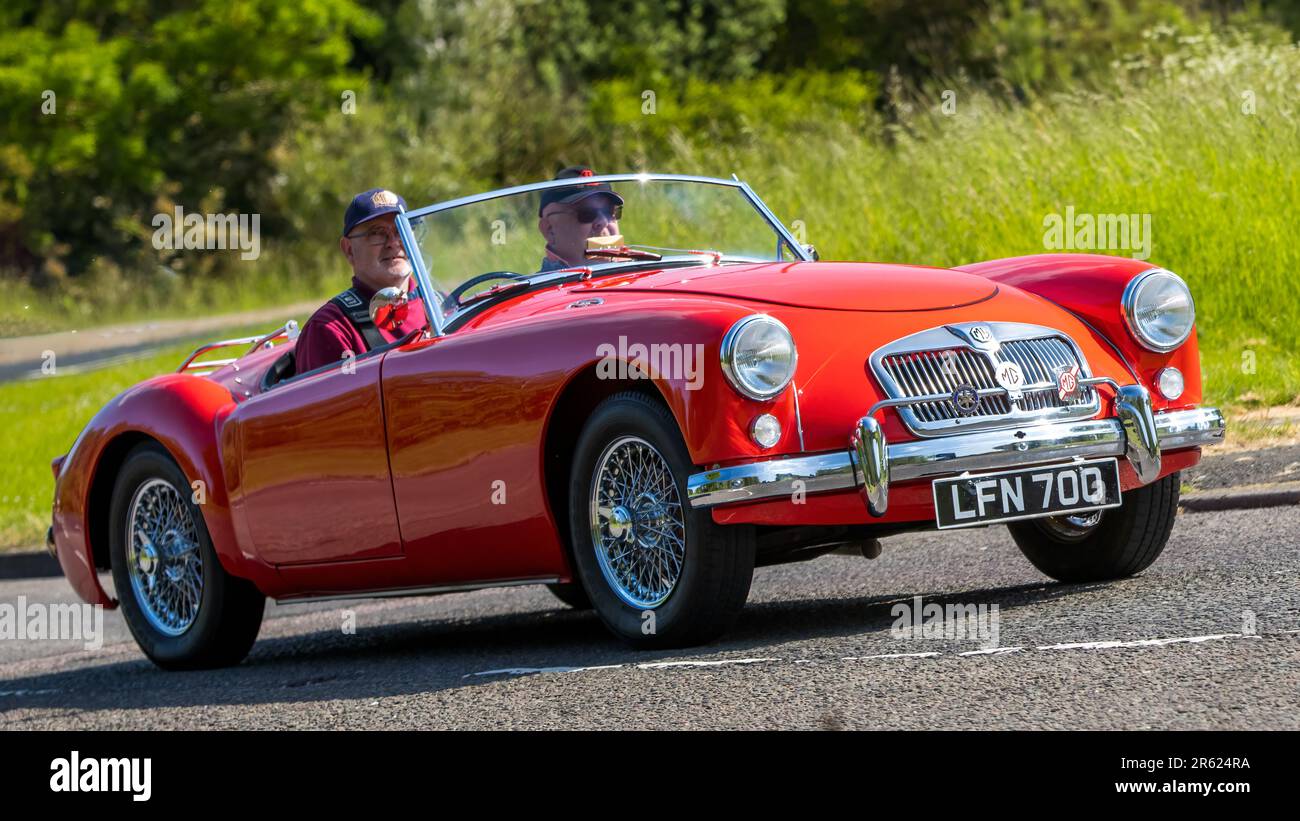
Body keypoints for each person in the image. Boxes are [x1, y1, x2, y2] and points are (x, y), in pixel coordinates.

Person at [295, 188, 430, 374]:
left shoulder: (442, 306)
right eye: (377, 233)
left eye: (401, 229)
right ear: (349, 250)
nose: (393, 242)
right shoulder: (331, 329)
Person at [536, 166, 625, 272]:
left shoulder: (639, 268)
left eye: (610, 211)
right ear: (550, 230)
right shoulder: (542, 283)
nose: (603, 222)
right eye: (586, 213)